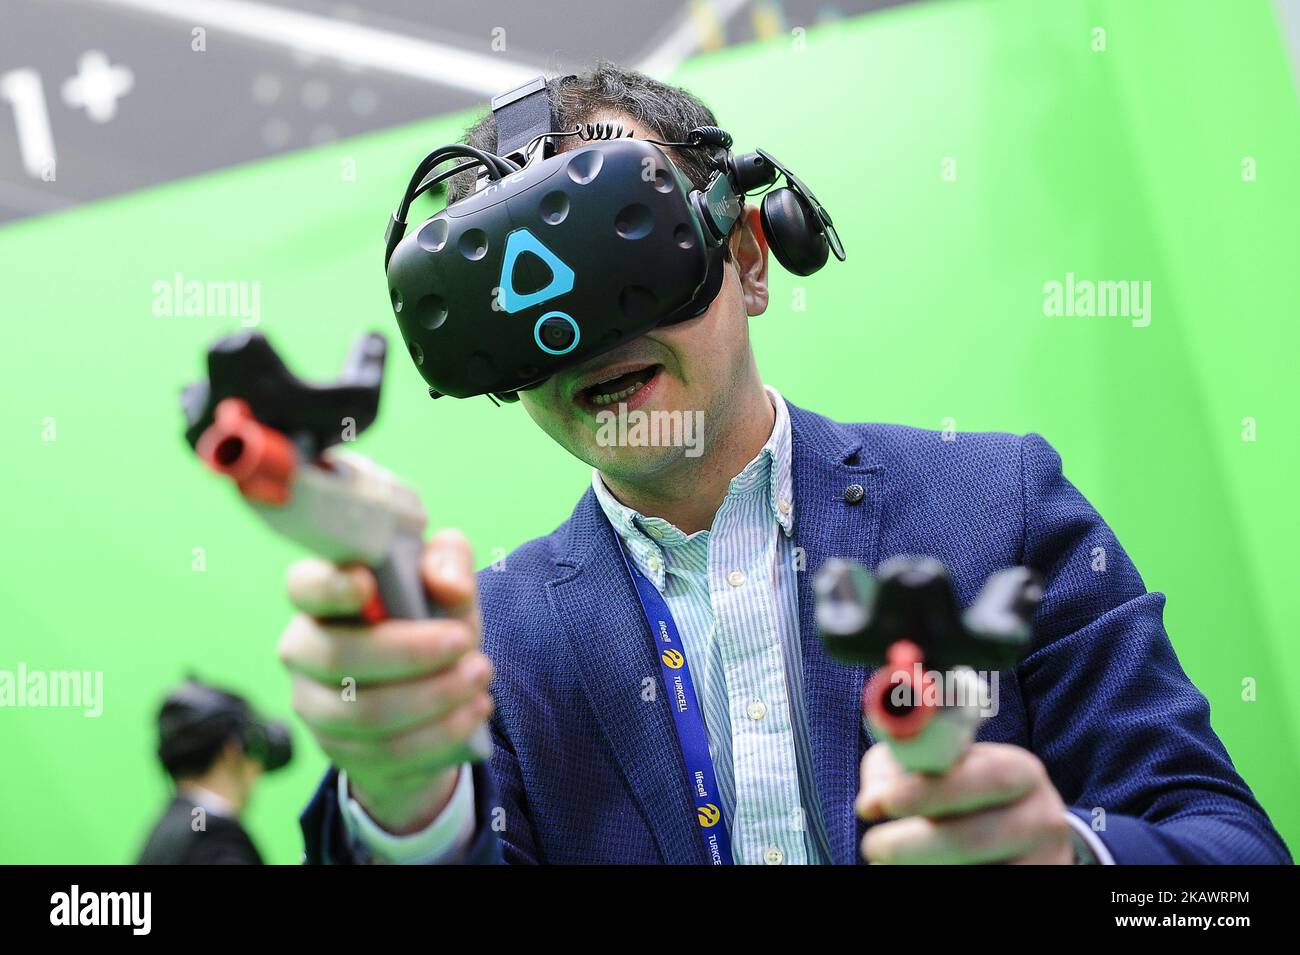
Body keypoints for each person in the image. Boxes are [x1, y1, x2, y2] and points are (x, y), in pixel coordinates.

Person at [278, 62, 1290, 865]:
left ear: (750, 257)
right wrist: (407, 804)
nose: (585, 334)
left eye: (628, 255)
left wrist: (1059, 858)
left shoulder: (1002, 508)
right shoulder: (480, 641)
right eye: (524, 297)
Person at [137, 679, 291, 864]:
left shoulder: (166, 830)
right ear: (232, 751)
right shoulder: (217, 842)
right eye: (253, 750)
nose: (257, 770)